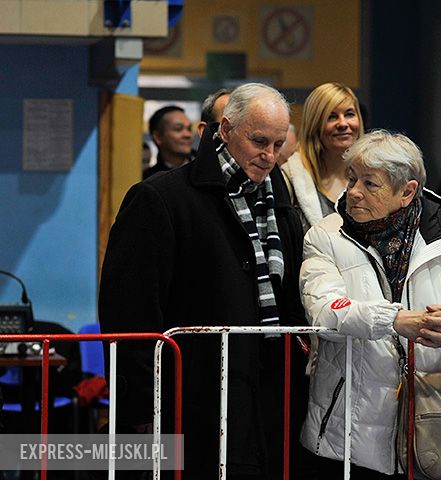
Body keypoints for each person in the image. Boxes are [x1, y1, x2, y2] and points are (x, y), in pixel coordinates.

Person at [99, 83, 314, 478]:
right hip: (191, 396)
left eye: (278, 144)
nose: (268, 156)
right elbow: (129, 311)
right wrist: (145, 407)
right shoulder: (160, 197)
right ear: (226, 129)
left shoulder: (279, 201)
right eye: (258, 141)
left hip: (266, 394)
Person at [299, 130, 441, 478]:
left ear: (407, 191)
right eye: (352, 178)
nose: (353, 192)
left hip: (433, 421)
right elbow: (324, 310)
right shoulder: (325, 235)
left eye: (370, 183)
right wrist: (393, 320)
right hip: (349, 427)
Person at [281, 82, 364, 232]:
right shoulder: (290, 178)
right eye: (331, 117)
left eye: (349, 114)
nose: (343, 123)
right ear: (315, 124)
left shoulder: (371, 175)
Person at [142, 105, 193, 180]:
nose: (187, 135)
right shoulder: (149, 180)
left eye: (189, 129)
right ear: (157, 137)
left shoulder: (206, 167)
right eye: (178, 129)